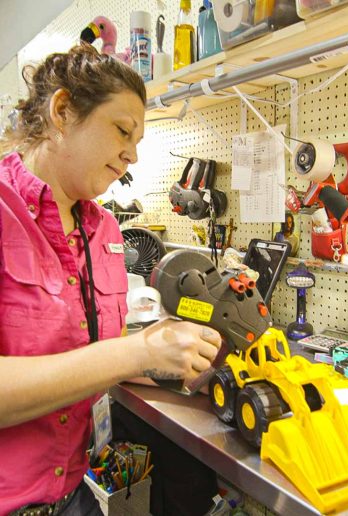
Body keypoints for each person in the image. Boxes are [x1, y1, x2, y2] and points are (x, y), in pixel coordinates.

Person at [0, 44, 221, 516]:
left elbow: (100, 349)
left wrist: (175, 365)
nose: (132, 154)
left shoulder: (102, 229)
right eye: (122, 131)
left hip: (73, 496)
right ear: (62, 111)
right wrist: (136, 351)